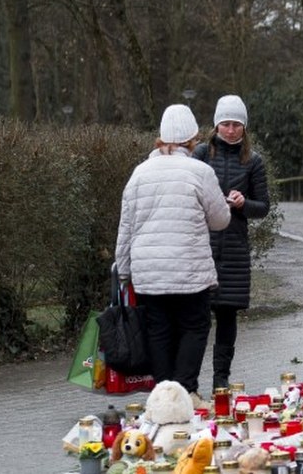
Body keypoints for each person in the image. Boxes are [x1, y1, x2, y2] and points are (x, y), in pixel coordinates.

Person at [115, 104, 231, 403]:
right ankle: (186, 390)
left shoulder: (139, 173)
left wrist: (124, 270)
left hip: (149, 271)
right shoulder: (200, 171)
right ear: (193, 138)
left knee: (158, 329)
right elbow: (221, 220)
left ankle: (163, 394)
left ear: (161, 137)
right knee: (194, 326)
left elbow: (126, 227)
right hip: (189, 269)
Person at [193, 94, 270, 391]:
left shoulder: (253, 161)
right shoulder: (201, 154)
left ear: (244, 128)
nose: (230, 130)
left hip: (235, 248)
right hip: (202, 245)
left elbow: (263, 207)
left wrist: (243, 203)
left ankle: (220, 380)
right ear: (215, 126)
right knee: (198, 318)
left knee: (227, 316)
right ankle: (189, 381)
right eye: (225, 124)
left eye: (236, 124)